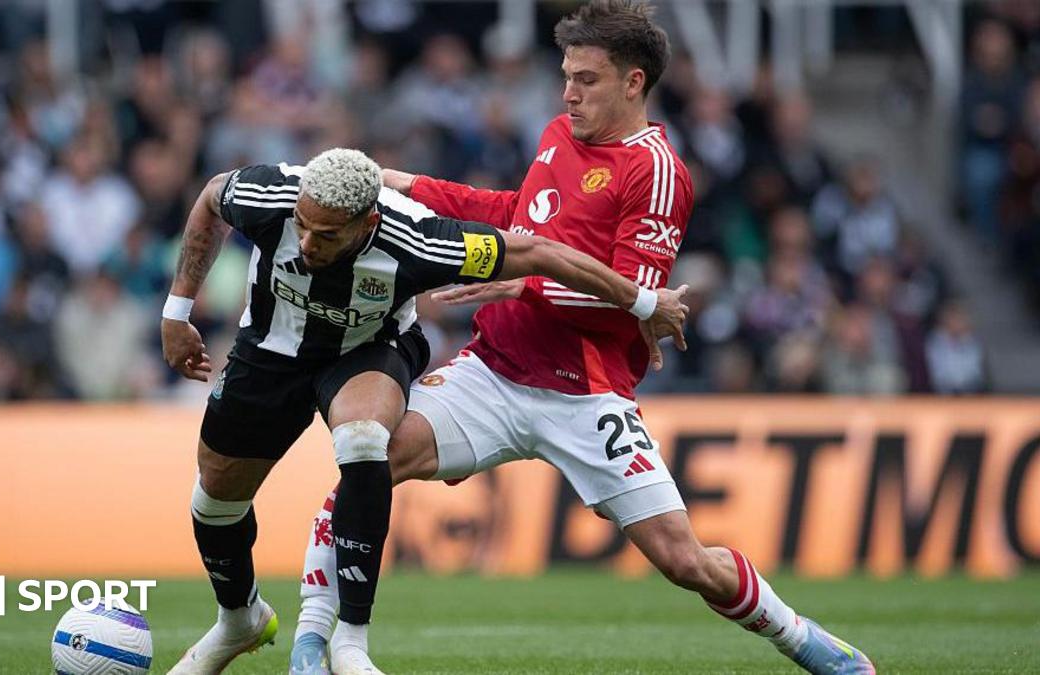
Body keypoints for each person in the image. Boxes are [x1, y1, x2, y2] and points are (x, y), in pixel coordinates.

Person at [288, 3, 876, 675]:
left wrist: (517, 283)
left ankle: (804, 639)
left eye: (587, 80)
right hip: (495, 368)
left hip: (585, 393)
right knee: (368, 459)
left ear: (634, 83)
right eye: (567, 76)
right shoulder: (557, 135)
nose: (570, 93)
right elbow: (515, 215)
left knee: (685, 560)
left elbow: (628, 301)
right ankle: (314, 642)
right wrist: (413, 186)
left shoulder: (656, 172)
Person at [161, 146, 689, 675]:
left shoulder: (421, 239)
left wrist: (642, 301)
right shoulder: (266, 193)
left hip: (368, 349)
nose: (306, 243)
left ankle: (352, 642)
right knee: (215, 498)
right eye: (301, 226)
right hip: (270, 351)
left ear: (368, 221)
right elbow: (209, 197)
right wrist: (177, 310)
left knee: (365, 439)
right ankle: (239, 619)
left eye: (326, 235)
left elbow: (540, 253)